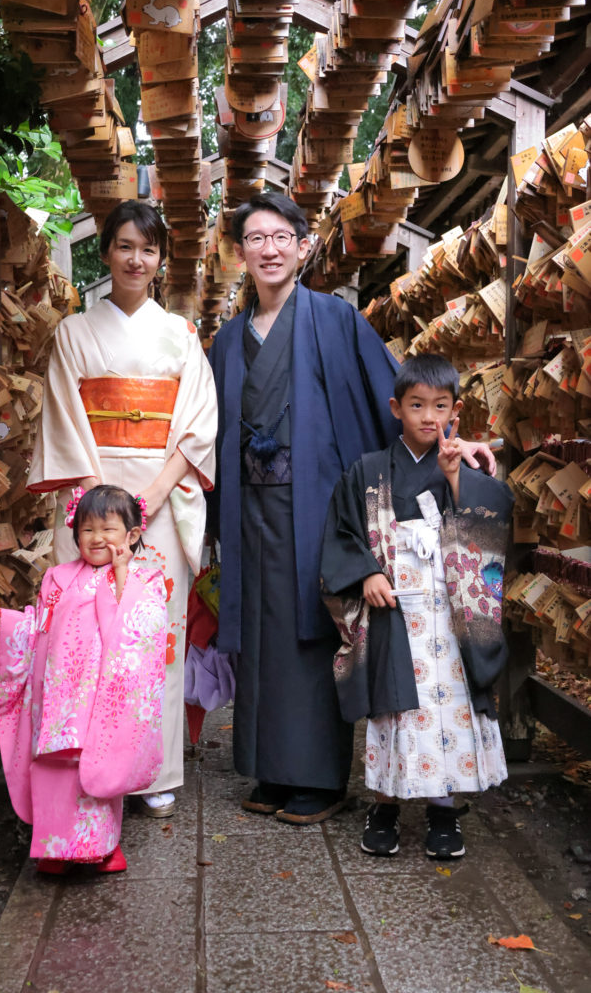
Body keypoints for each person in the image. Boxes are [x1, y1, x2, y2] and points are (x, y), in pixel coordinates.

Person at [206, 192, 496, 826]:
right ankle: (269, 767)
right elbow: (205, 433)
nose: (270, 249)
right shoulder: (227, 342)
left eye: (283, 237)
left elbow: (399, 395)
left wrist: (451, 441)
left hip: (318, 503)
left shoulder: (335, 321)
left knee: (316, 628)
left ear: (305, 246)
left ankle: (317, 776)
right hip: (250, 509)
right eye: (256, 238)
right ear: (240, 253)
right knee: (261, 631)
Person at [27, 201, 217, 818]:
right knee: (84, 631)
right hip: (92, 498)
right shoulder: (74, 333)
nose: (137, 259)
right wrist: (96, 509)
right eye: (125, 246)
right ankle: (80, 762)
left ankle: (150, 769)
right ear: (105, 250)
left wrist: (153, 498)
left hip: (158, 500)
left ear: (162, 260)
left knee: (154, 632)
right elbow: (64, 417)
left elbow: (196, 425)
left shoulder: (181, 336)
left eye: (150, 249)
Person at [321, 354, 513, 858]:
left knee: (446, 703)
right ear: (395, 408)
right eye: (417, 405)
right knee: (394, 706)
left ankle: (443, 809)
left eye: (440, 406)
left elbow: (490, 517)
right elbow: (342, 529)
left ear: (455, 409)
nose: (429, 416)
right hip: (393, 604)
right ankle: (384, 802)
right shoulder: (367, 469)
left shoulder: (463, 462)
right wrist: (365, 572)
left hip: (449, 608)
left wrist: (454, 479)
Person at [0, 485, 169, 874]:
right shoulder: (57, 577)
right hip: (58, 696)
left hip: (101, 697)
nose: (97, 538)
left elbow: (142, 631)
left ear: (131, 535)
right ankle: (55, 849)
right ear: (74, 533)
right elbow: (39, 628)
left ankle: (102, 849)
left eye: (108, 529)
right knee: (55, 769)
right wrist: (4, 621)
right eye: (87, 530)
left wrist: (120, 572)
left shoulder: (143, 580)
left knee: (95, 769)